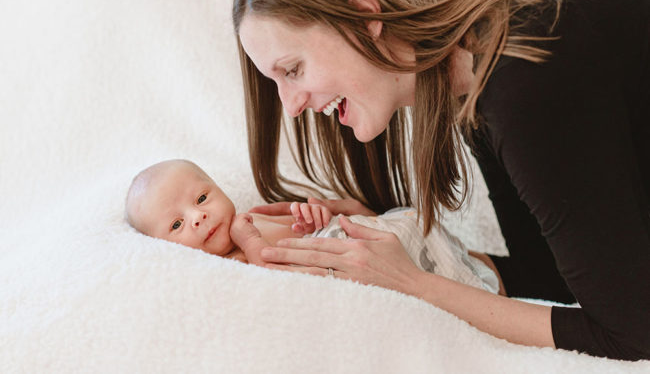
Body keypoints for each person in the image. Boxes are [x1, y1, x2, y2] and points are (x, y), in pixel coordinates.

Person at [231, 0, 650, 360]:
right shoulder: (475, 64)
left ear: (365, 16)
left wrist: (414, 286)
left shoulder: (517, 80)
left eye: (293, 70)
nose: (290, 105)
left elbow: (634, 333)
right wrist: (409, 241)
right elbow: (550, 275)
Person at [124, 159, 503, 293]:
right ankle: (483, 291)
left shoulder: (255, 214)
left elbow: (306, 223)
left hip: (374, 233)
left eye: (202, 198)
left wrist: (312, 218)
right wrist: (252, 244)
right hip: (364, 262)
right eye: (177, 224)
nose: (198, 216)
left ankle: (479, 275)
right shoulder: (230, 264)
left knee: (410, 227)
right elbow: (274, 276)